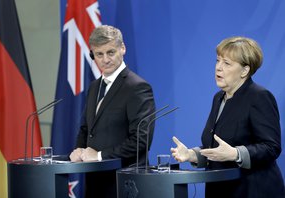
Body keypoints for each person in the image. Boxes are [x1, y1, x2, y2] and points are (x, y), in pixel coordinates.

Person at [171, 36, 285, 198]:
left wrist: (236, 154)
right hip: (222, 189)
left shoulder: (259, 97)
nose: (218, 68)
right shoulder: (218, 98)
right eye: (218, 61)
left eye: (227, 63)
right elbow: (217, 148)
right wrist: (192, 155)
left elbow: (271, 147)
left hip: (253, 191)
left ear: (245, 70)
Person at [69, 25, 156, 198]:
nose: (105, 60)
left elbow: (141, 140)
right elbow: (86, 128)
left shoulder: (137, 87)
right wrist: (79, 149)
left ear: (122, 48)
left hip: (125, 184)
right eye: (99, 54)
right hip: (94, 183)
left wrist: (100, 156)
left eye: (111, 52)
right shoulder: (94, 86)